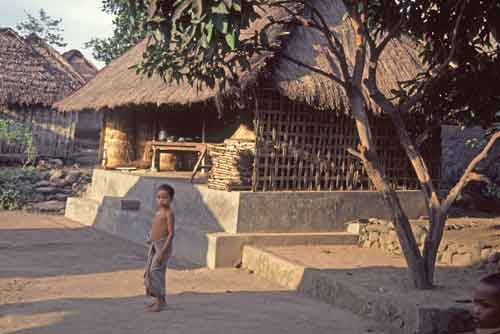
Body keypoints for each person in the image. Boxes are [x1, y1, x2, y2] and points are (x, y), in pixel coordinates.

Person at [144, 184, 175, 312]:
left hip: (163, 246)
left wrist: (162, 251)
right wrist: (150, 237)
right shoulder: (158, 212)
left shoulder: (169, 213)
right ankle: (159, 300)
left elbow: (171, 233)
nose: (161, 200)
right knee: (150, 273)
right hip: (154, 245)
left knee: (155, 273)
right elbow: (156, 228)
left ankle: (160, 301)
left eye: (164, 197)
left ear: (171, 199)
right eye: (158, 197)